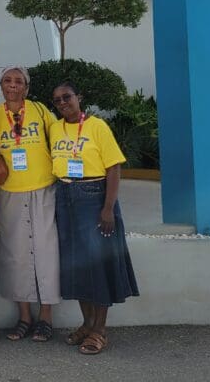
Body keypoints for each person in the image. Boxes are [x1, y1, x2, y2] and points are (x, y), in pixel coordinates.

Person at [50, 80, 139, 356]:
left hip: (93, 195)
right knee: (76, 264)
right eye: (57, 100)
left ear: (79, 97)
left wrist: (108, 207)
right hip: (64, 195)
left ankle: (99, 330)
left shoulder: (97, 126)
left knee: (98, 266)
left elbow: (113, 168)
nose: (63, 103)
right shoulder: (55, 128)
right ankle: (87, 324)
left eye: (67, 97)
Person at [0, 66, 60, 343]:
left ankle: (45, 317)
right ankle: (24, 317)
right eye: (8, 80)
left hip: (43, 190)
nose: (13, 85)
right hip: (10, 192)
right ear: (1, 86)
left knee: (46, 253)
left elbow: (59, 136)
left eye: (19, 81)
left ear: (26, 87)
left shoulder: (41, 111)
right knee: (15, 254)